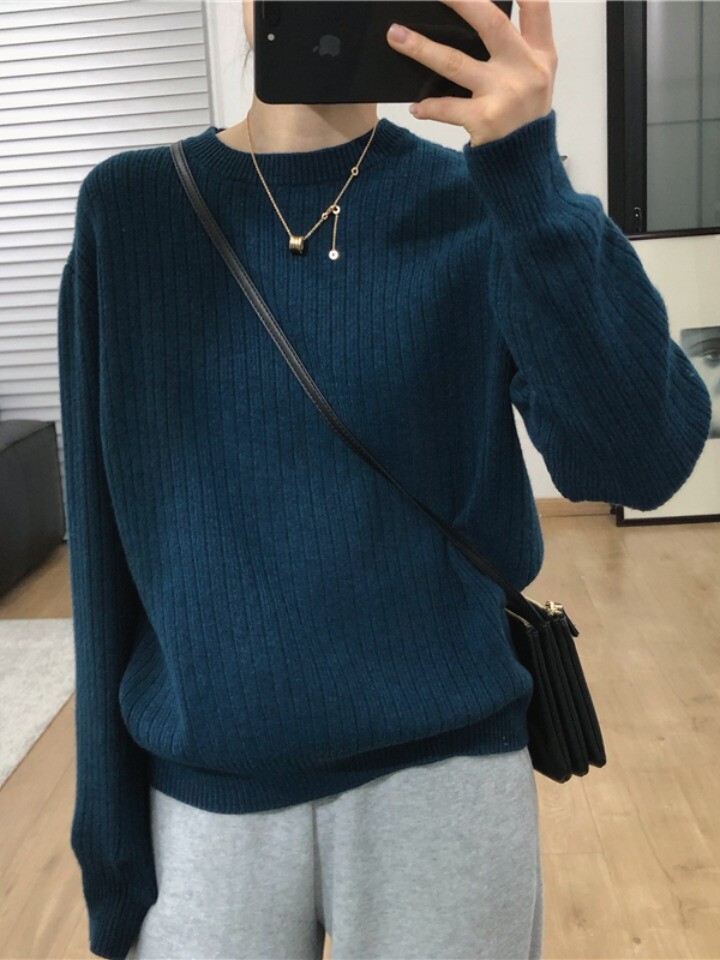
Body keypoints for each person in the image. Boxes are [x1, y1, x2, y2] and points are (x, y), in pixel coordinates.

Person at [57, 0, 712, 958]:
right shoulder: (131, 208)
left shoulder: (486, 198)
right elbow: (100, 548)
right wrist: (110, 853)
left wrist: (529, 172)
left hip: (444, 778)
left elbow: (639, 463)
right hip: (205, 798)